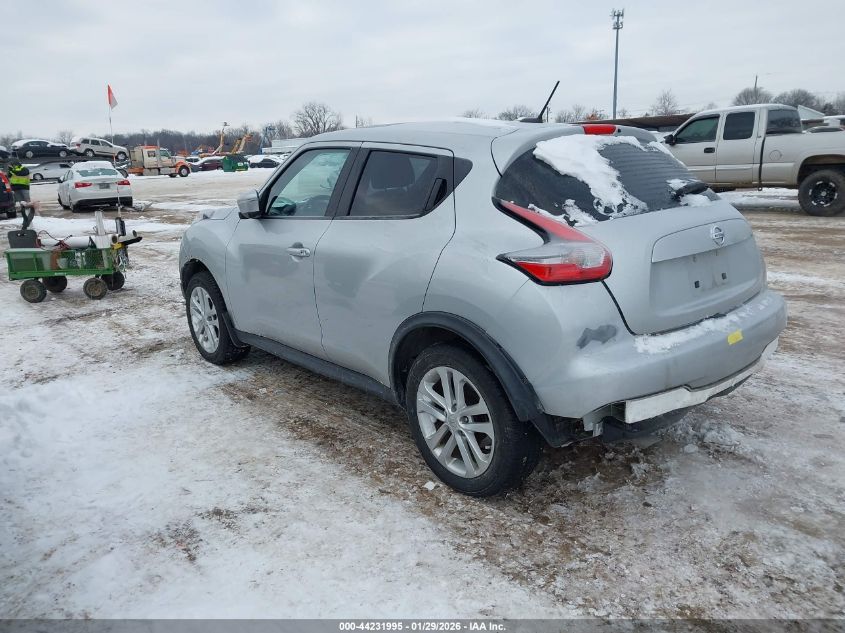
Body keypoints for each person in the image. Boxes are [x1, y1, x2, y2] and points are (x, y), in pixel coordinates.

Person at [7, 159, 36, 230]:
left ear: (15, 164)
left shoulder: (24, 169)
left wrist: (11, 170)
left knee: (28, 204)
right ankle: (25, 221)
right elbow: (9, 176)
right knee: (22, 204)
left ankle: (29, 220)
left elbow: (20, 173)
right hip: (16, 189)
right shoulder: (11, 170)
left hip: (24, 188)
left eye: (12, 164)